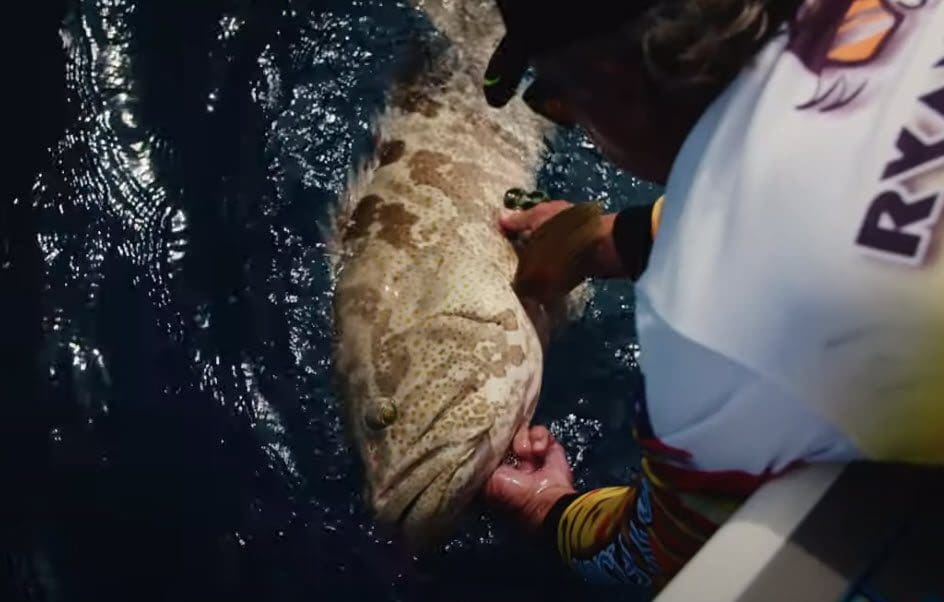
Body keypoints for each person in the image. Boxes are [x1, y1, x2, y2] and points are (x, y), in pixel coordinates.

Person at [481, 0, 944, 591]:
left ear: (618, 90)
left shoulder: (708, 327)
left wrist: (547, 505)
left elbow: (653, 557)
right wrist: (615, 239)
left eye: (557, 104)